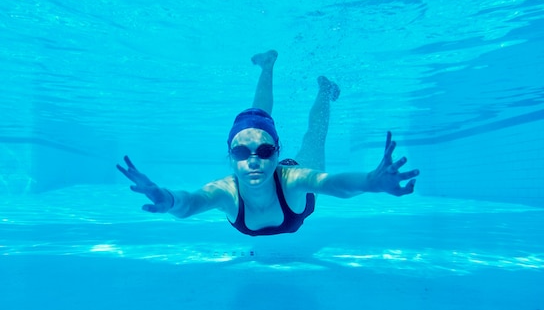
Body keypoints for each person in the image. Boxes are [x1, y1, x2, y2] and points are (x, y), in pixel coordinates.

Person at [117, 50, 419, 236]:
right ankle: (268, 64)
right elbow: (190, 204)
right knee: (258, 115)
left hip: (296, 171)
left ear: (276, 153)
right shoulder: (226, 192)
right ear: (230, 156)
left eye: (264, 150)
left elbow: (334, 185)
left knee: (314, 136)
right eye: (240, 151)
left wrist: (370, 181)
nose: (253, 160)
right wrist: (167, 199)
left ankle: (324, 90)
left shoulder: (294, 180)